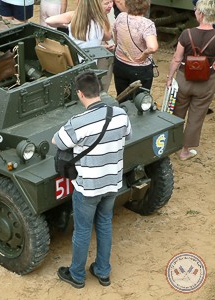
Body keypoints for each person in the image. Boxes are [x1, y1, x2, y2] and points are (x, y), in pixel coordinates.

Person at [52, 71, 131, 289]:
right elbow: (127, 135)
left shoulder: (78, 122)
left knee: (83, 230)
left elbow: (57, 141)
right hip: (112, 182)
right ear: (98, 89)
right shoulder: (119, 114)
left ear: (80, 93)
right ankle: (103, 271)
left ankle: (77, 275)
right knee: (105, 224)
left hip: (88, 187)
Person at [166, 0, 215, 161]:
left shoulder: (186, 34)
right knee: (196, 117)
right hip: (206, 82)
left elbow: (176, 58)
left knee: (177, 112)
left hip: (183, 79)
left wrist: (169, 78)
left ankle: (171, 145)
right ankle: (185, 151)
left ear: (201, 14)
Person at [112, 0, 158, 96]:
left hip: (120, 64)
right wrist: (145, 54)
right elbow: (153, 47)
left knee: (121, 97)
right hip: (140, 68)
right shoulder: (147, 24)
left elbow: (115, 37)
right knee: (139, 100)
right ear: (146, 6)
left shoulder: (121, 17)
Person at [46, 0, 112, 57]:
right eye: (106, 3)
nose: (110, 5)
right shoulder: (99, 21)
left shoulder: (74, 16)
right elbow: (108, 37)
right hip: (90, 60)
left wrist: (67, 26)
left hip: (75, 58)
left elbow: (48, 21)